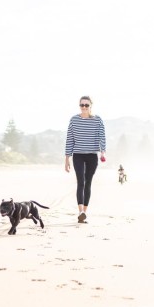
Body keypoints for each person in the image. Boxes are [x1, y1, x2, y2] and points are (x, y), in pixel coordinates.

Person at [64, 95, 106, 223]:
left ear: (90, 106)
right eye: (82, 105)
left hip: (92, 156)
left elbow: (102, 136)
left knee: (88, 183)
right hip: (78, 155)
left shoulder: (97, 120)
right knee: (80, 182)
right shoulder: (74, 120)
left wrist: (103, 152)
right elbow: (70, 139)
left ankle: (84, 213)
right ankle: (80, 211)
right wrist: (67, 159)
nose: (84, 107)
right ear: (79, 106)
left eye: (86, 105)